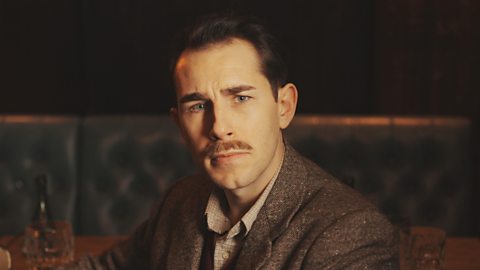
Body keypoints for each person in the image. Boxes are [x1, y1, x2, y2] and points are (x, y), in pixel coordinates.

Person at [66, 13, 398, 269]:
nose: (219, 127)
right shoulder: (179, 201)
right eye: (198, 106)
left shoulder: (352, 232)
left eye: (240, 98)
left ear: (284, 107)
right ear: (178, 123)